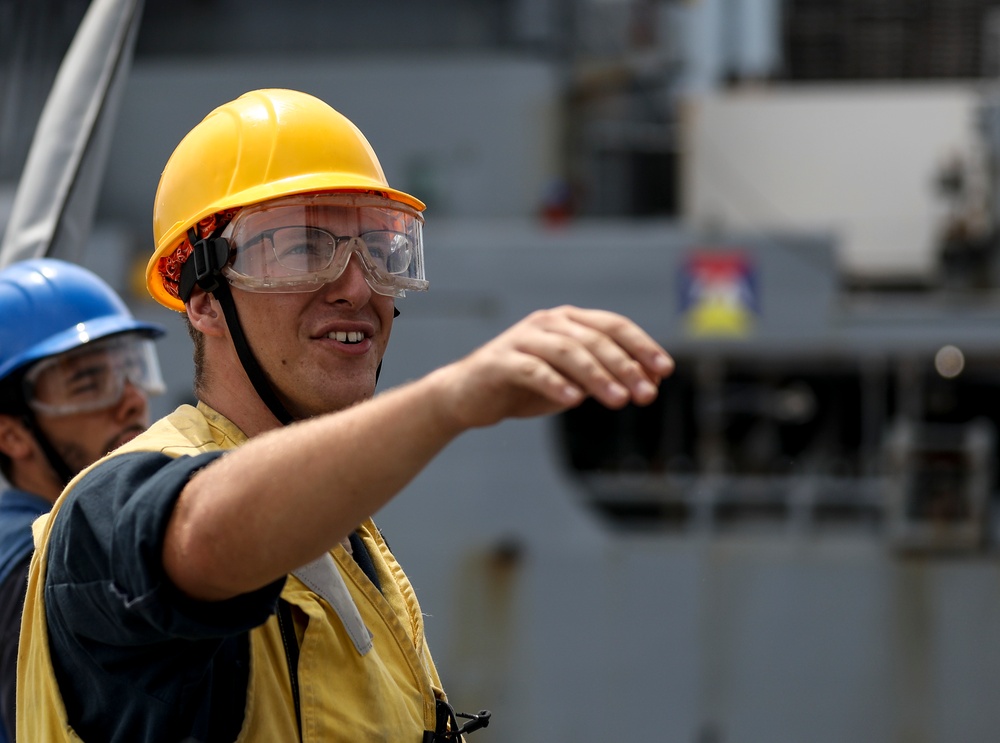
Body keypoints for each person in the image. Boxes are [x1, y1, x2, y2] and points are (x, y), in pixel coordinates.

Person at [17, 88, 674, 742]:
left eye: (382, 250)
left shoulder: (347, 537)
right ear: (204, 299)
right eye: (302, 247)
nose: (358, 286)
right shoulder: (101, 517)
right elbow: (200, 535)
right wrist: (451, 399)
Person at [0, 258, 164, 742]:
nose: (133, 399)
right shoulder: (29, 563)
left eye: (133, 369)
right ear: (12, 436)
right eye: (90, 383)